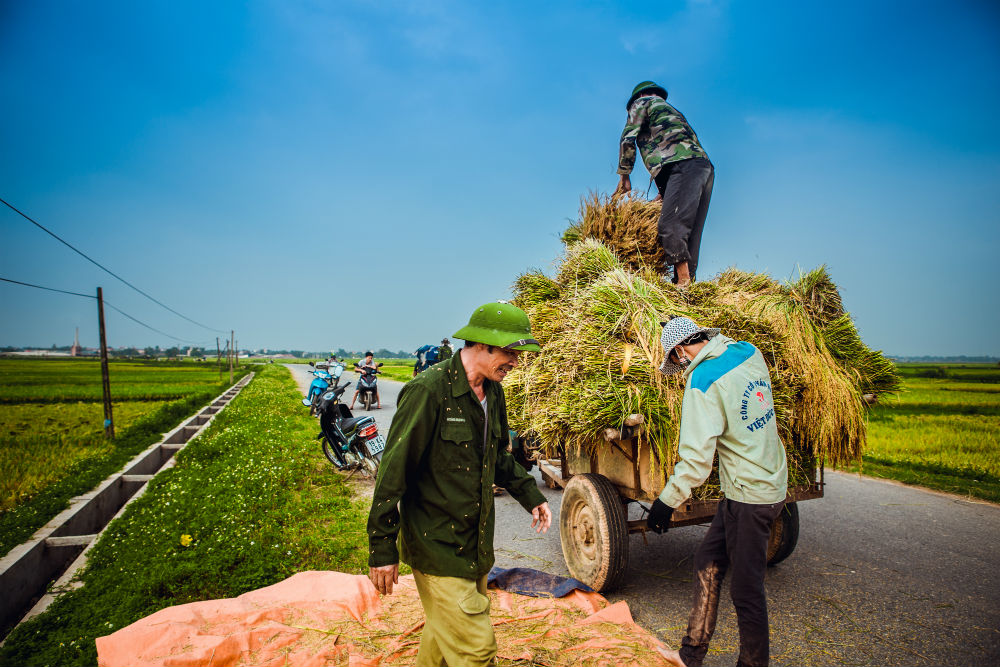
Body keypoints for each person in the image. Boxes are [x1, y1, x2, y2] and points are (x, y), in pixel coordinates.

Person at [367, 302, 552, 667]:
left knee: (440, 642)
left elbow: (497, 457)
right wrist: (382, 548)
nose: (515, 362)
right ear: (482, 345)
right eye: (510, 352)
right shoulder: (428, 390)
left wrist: (530, 496)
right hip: (436, 545)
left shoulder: (492, 392)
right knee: (475, 649)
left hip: (474, 545)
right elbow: (393, 472)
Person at [646, 316, 788, 667]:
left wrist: (666, 502)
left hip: (750, 496)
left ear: (680, 351)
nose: (678, 366)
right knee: (707, 560)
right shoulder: (748, 351)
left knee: (746, 589)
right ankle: (691, 653)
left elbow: (696, 461)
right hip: (764, 481)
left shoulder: (702, 380)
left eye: (675, 360)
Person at [615, 81, 714, 287]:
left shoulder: (642, 102)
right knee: (692, 231)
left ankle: (683, 282)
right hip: (702, 167)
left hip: (682, 166)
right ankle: (687, 285)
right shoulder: (671, 112)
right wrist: (664, 194)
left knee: (670, 225)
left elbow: (627, 138)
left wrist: (624, 176)